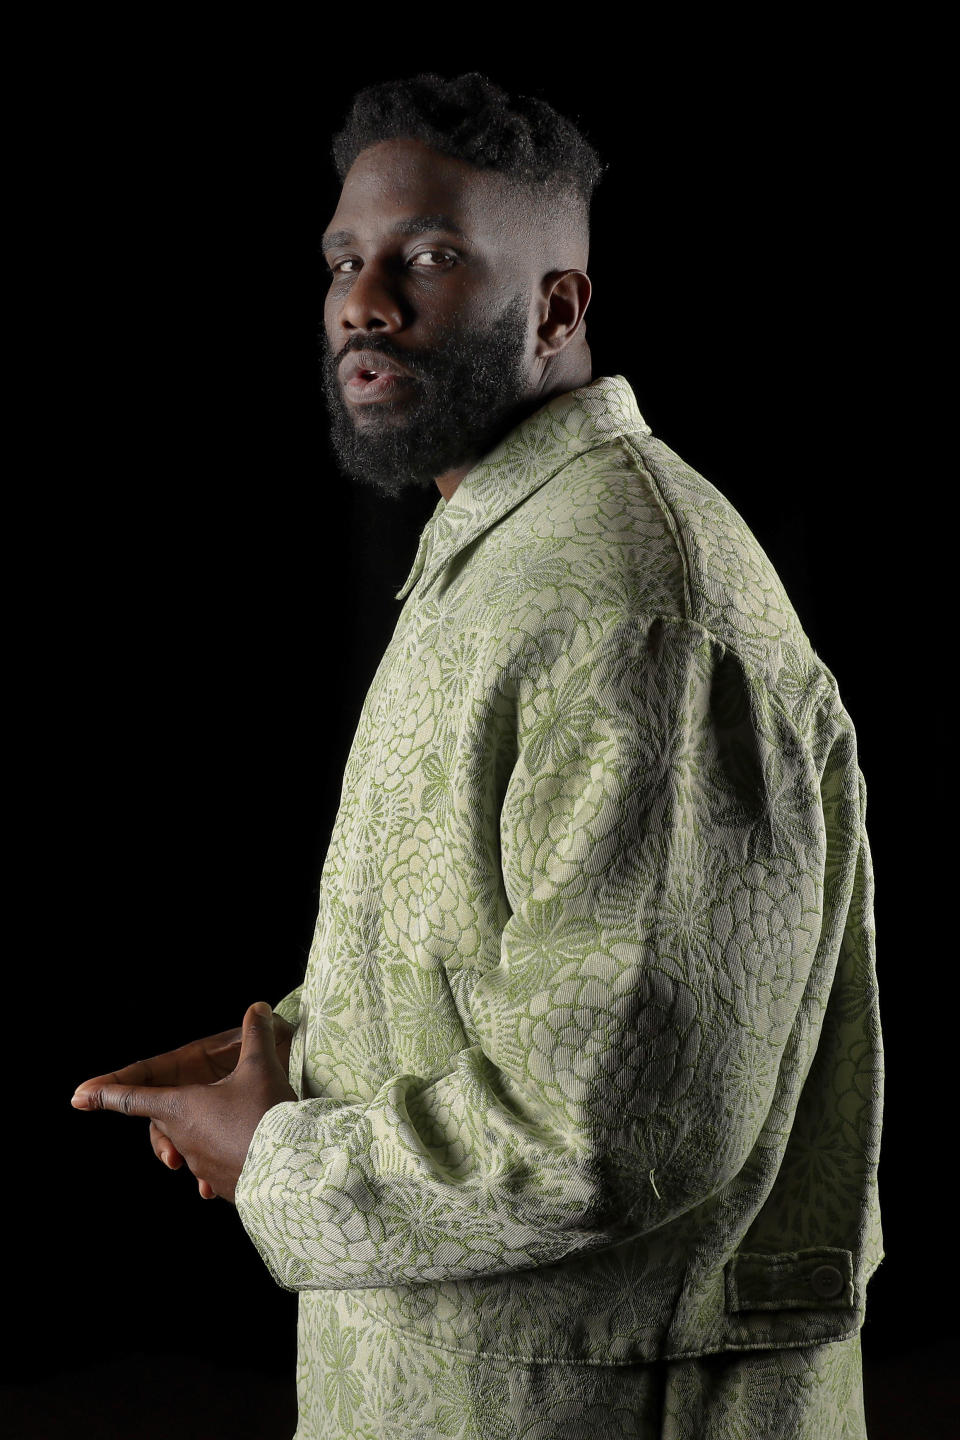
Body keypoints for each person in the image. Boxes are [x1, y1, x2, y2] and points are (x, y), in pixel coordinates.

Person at [73, 73, 883, 1439]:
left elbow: (614, 1129)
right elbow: (504, 948)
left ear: (561, 308)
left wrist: (280, 1157)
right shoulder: (506, 549)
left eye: (431, 257)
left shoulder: (631, 601)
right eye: (346, 256)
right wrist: (291, 1050)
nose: (363, 297)